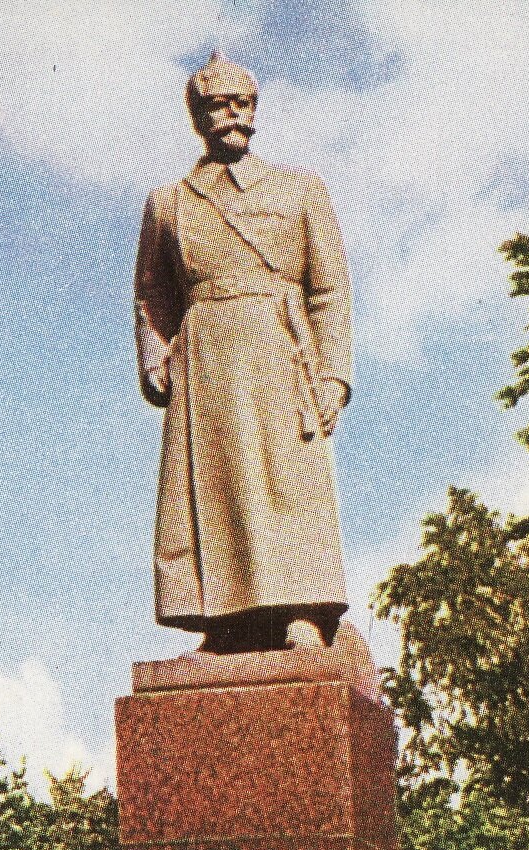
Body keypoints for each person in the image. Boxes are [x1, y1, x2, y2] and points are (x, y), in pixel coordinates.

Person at [134, 52, 352, 653]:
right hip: (205, 358)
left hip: (283, 352)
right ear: (196, 116)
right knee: (216, 486)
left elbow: (329, 290)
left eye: (242, 103)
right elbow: (152, 291)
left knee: (289, 480)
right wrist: (155, 361)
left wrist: (333, 376)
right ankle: (223, 619)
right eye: (217, 104)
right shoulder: (169, 202)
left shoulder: (301, 191)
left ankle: (302, 610)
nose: (231, 114)